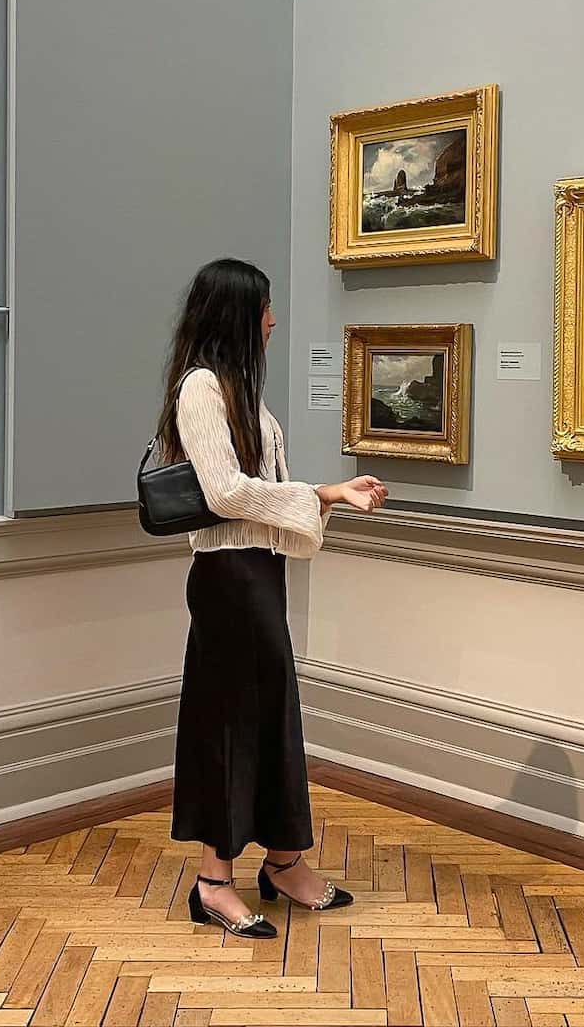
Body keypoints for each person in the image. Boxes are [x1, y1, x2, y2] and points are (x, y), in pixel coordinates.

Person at [157, 257, 388, 939]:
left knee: (273, 716)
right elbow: (226, 494)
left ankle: (285, 861)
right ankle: (213, 881)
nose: (274, 320)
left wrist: (330, 494)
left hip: (256, 573)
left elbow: (257, 492)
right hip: (228, 580)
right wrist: (319, 494)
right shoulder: (201, 389)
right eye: (264, 308)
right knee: (229, 723)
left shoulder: (235, 389)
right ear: (235, 313)